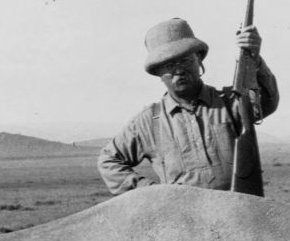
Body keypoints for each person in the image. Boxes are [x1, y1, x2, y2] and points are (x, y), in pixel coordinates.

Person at [97, 18, 279, 195]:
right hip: (182, 221)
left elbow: (267, 102)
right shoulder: (148, 121)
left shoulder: (231, 101)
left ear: (199, 60)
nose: (179, 70)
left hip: (236, 213)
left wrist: (255, 58)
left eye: (185, 60)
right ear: (158, 72)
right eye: (169, 64)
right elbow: (109, 161)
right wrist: (150, 193)